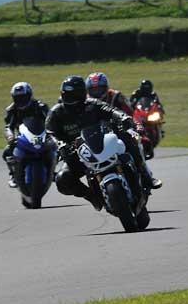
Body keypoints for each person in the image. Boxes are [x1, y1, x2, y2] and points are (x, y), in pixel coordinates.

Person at [46, 76, 162, 210]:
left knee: (129, 138)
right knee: (62, 179)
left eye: (75, 95)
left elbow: (112, 111)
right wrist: (60, 144)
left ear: (83, 93)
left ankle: (144, 174)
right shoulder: (56, 113)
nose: (72, 99)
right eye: (68, 95)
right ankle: (91, 196)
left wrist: (123, 118)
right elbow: (50, 133)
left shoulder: (93, 104)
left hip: (103, 141)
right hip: (77, 152)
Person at [2, 82, 50, 188]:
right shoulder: (11, 110)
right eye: (18, 98)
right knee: (7, 152)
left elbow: (50, 121)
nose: (21, 100)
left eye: (23, 97)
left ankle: (52, 170)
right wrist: (10, 137)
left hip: (42, 136)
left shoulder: (40, 106)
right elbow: (8, 127)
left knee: (56, 148)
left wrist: (52, 134)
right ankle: (13, 174)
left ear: (29, 95)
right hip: (23, 139)